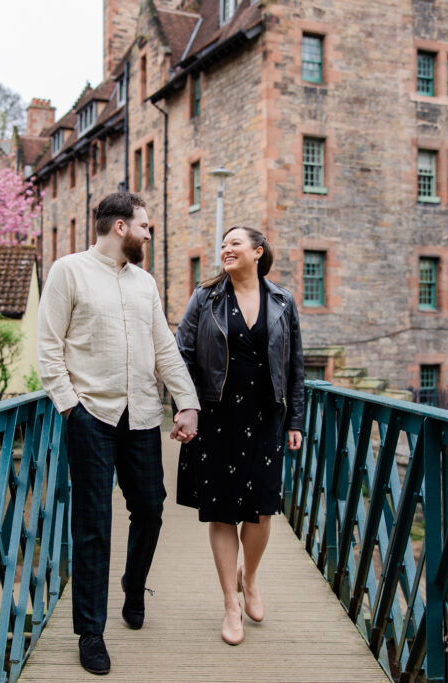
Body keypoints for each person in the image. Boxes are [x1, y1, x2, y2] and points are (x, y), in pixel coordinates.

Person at [37, 191, 200, 675]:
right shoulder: (68, 271)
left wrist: (186, 402)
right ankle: (91, 632)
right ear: (121, 227)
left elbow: (164, 348)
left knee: (150, 508)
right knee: (92, 524)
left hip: (143, 414)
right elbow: (48, 347)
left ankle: (133, 584)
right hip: (92, 415)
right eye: (145, 226)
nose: (150, 233)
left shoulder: (145, 282)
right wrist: (71, 408)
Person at [175, 226, 305, 645]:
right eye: (224, 244)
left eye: (235, 243)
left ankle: (250, 579)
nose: (226, 249)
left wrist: (296, 420)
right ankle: (231, 603)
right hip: (215, 414)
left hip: (267, 415)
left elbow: (296, 365)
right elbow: (183, 354)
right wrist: (185, 405)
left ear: (257, 252)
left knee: (262, 511)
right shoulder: (206, 297)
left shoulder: (282, 300)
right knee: (221, 511)